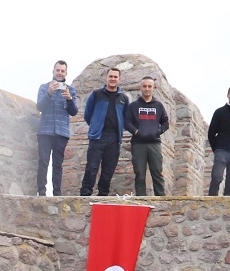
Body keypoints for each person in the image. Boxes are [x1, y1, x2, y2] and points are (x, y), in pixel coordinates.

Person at [79, 69, 129, 197]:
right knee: (92, 168)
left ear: (119, 79)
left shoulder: (123, 98)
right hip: (97, 137)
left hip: (114, 138)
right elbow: (87, 114)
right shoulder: (96, 94)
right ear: (106, 77)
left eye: (115, 77)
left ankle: (103, 196)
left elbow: (126, 117)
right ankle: (85, 195)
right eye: (110, 76)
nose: (113, 79)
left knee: (108, 171)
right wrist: (96, 126)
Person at [36, 60, 77, 197]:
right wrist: (49, 93)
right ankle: (41, 192)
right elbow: (40, 107)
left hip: (61, 132)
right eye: (57, 70)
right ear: (53, 71)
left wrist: (70, 99)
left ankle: (57, 194)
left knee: (57, 165)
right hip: (45, 131)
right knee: (43, 161)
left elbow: (74, 112)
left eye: (62, 71)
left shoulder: (70, 90)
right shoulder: (44, 87)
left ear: (66, 73)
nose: (60, 73)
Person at [126, 77, 169, 196]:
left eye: (149, 86)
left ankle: (161, 200)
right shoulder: (133, 106)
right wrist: (136, 132)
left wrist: (158, 131)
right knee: (139, 174)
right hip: (138, 144)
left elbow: (166, 122)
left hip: (154, 143)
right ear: (140, 88)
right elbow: (127, 122)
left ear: (153, 88)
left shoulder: (159, 106)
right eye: (144, 86)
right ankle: (141, 200)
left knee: (157, 173)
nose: (147, 89)